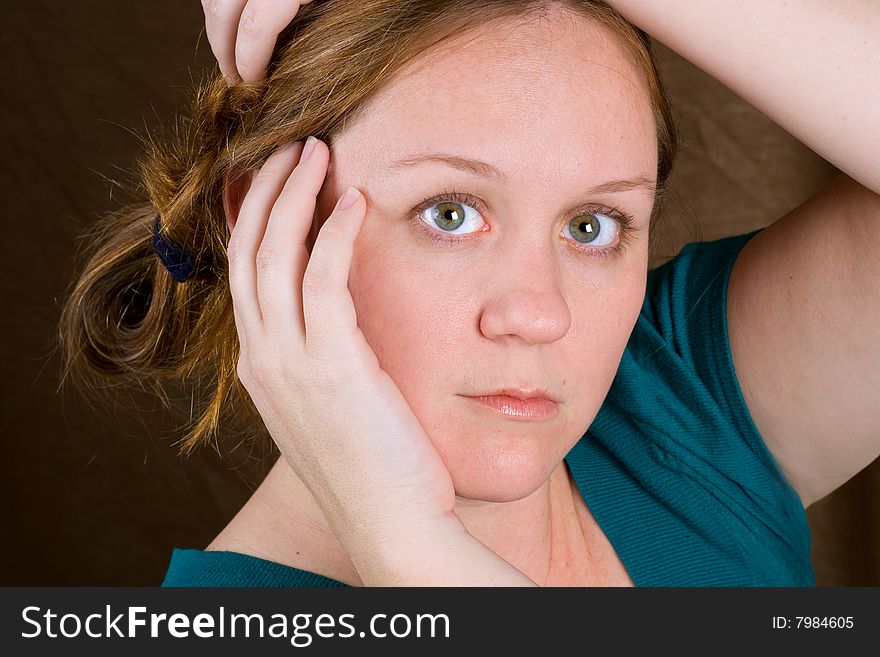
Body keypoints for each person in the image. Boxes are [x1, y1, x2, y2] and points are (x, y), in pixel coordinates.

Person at [59, 0, 880, 587]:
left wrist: (414, 549)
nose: (537, 313)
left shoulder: (683, 397)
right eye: (450, 213)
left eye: (592, 225)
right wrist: (403, 545)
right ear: (273, 220)